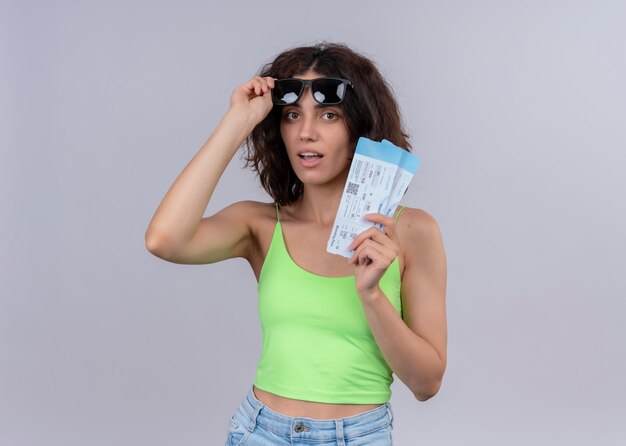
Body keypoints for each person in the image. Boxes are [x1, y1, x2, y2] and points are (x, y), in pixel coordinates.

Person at [145, 42, 447, 446]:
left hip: (358, 436)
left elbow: (426, 382)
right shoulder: (259, 224)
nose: (306, 132)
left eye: (329, 115)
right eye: (291, 115)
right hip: (259, 433)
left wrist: (372, 295)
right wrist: (238, 121)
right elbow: (163, 240)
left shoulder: (411, 231)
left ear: (359, 127)